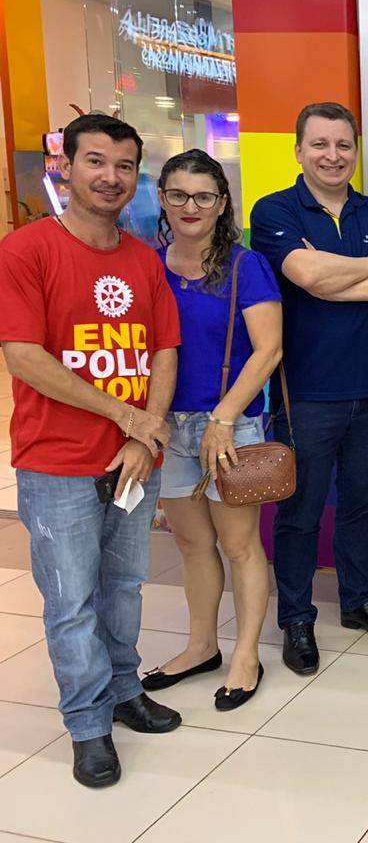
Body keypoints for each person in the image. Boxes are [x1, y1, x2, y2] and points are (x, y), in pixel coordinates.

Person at [0, 114, 183, 787]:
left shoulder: (143, 259)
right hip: (57, 464)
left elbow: (164, 350)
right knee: (71, 600)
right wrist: (126, 417)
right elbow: (24, 356)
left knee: (125, 587)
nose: (111, 177)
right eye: (96, 162)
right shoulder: (26, 251)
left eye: (125, 165)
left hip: (135, 458)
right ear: (67, 168)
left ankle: (125, 689)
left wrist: (143, 432)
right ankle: (87, 725)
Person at [250, 103, 368, 676]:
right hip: (307, 395)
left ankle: (358, 601)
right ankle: (296, 618)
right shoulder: (275, 209)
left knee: (361, 505)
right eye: (320, 144)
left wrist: (335, 279)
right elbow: (305, 275)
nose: (332, 155)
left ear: (356, 150)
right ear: (299, 150)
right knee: (300, 513)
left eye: (343, 145)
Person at [142, 150, 282, 710]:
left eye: (204, 196)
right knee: (192, 543)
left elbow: (268, 350)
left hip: (230, 424)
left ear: (222, 204)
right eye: (178, 194)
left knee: (239, 544)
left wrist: (223, 418)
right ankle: (201, 646)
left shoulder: (245, 267)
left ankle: (246, 654)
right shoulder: (149, 265)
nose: (191, 206)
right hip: (166, 424)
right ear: (163, 198)